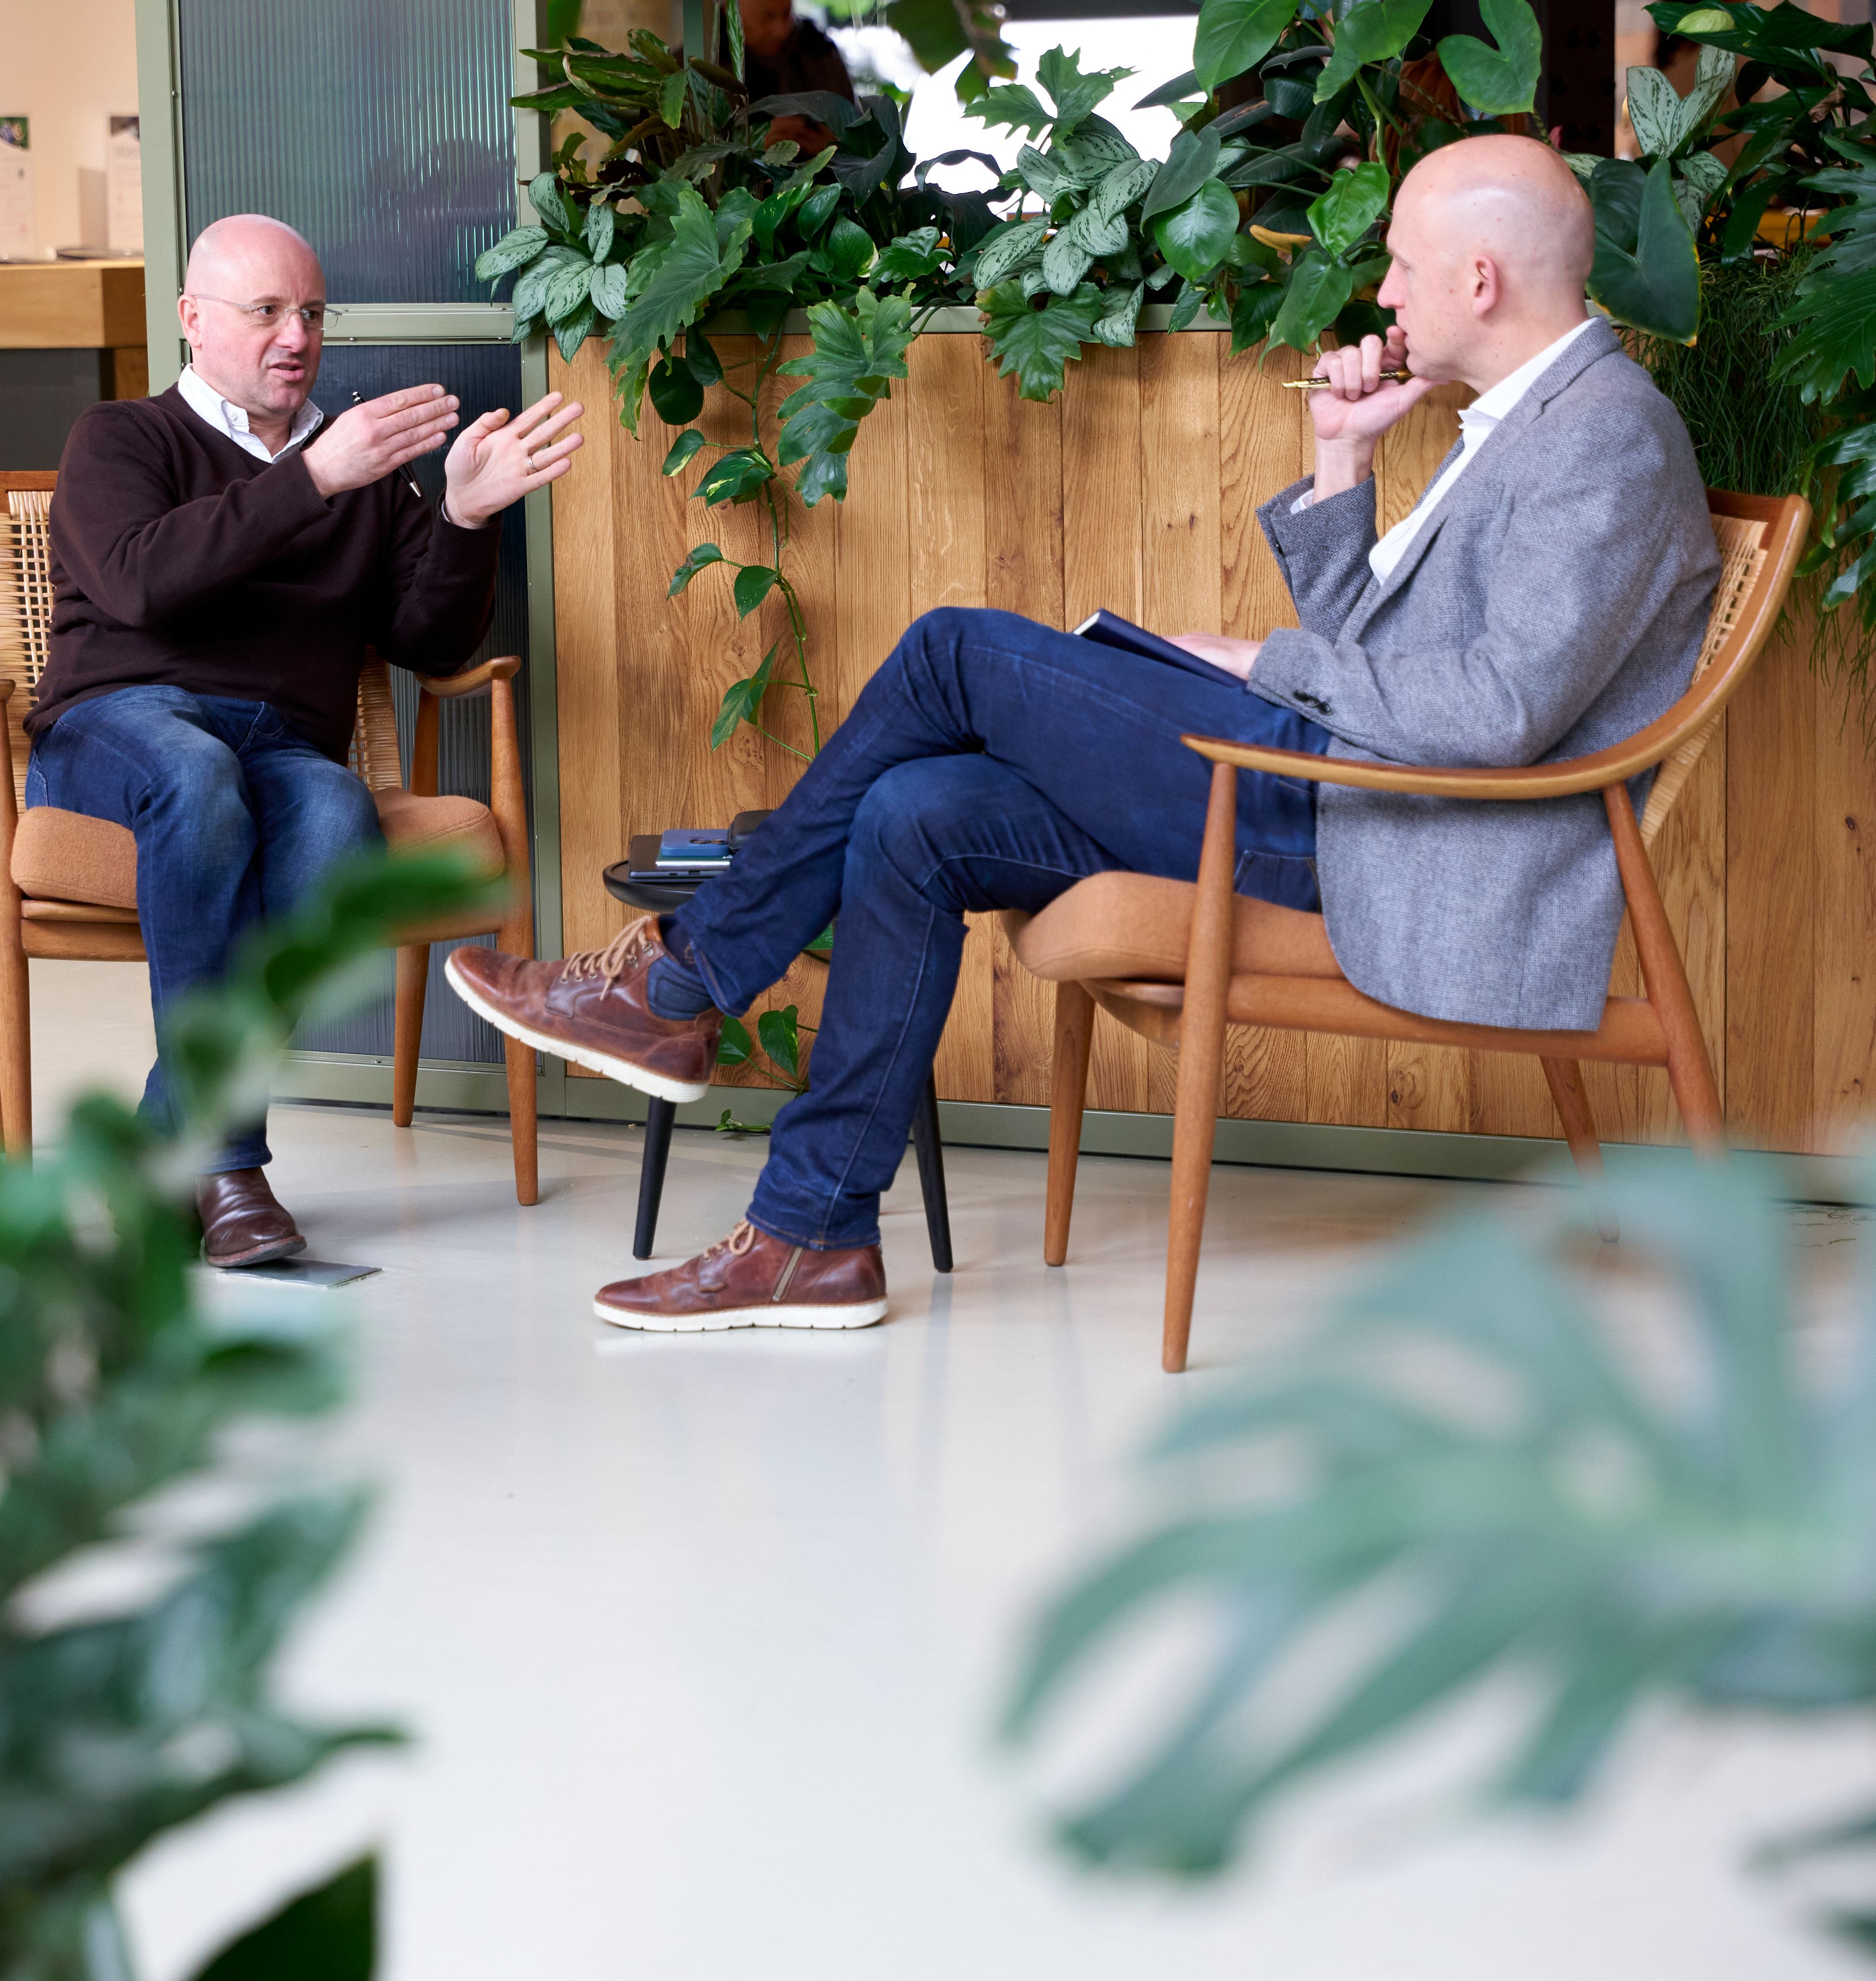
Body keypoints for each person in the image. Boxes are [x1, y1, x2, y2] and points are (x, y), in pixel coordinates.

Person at [445, 135, 1718, 1331]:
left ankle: (680, 983)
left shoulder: (1601, 438)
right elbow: (1399, 666)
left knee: (952, 648)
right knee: (914, 814)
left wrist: (1261, 658)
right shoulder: (1523, 423)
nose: (1381, 286)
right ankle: (811, 1234)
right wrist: (1339, 465)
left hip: (1399, 845)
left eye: (1398, 261)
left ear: (1480, 278)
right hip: (1352, 798)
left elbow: (1500, 716)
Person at [27, 214, 583, 1268]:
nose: (297, 335)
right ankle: (231, 1166)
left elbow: (427, 641)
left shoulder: (363, 473)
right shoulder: (124, 438)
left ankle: (167, 1140)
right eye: (267, 311)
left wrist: (463, 520)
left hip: (278, 744)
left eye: (313, 313)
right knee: (195, 775)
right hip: (118, 721)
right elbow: (145, 580)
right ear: (194, 321)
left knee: (334, 817)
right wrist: (313, 479)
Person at [737, 0, 856, 153]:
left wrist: (830, 149)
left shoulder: (818, 50)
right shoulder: (713, 60)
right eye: (767, 17)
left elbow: (856, 139)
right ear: (731, 7)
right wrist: (757, 142)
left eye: (787, 15)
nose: (782, 31)